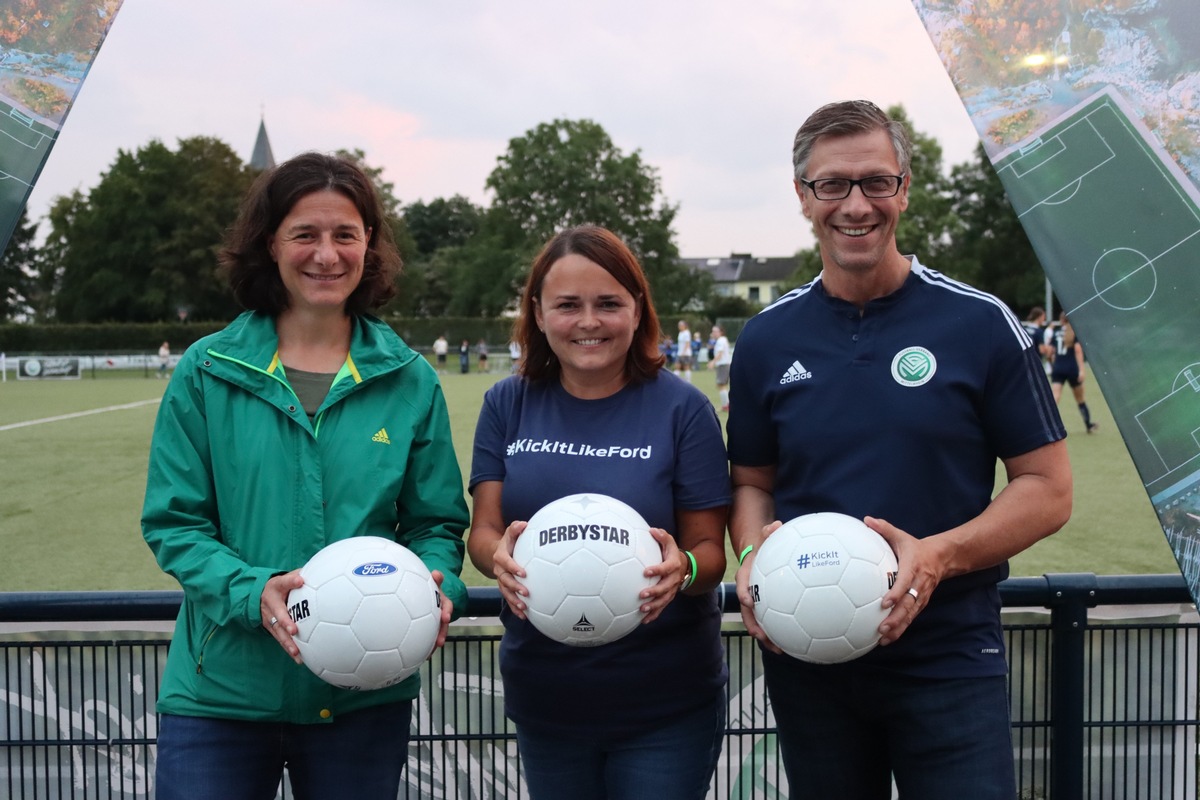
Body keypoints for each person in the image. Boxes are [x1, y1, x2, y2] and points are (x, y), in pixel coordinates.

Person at [727, 100, 1073, 799]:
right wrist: (748, 558)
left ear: (904, 189)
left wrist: (938, 555)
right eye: (833, 185)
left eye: (875, 182)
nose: (856, 205)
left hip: (947, 651)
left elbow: (1048, 487)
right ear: (804, 198)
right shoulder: (765, 340)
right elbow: (751, 485)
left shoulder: (979, 323)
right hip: (810, 651)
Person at [140, 152, 469, 800]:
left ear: (368, 243)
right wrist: (251, 589)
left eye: (345, 234)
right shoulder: (207, 370)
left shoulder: (410, 378)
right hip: (220, 698)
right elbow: (174, 522)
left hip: (362, 699)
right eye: (305, 234)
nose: (327, 254)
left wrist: (439, 585)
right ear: (271, 244)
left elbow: (436, 523)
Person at [467, 225, 730, 800]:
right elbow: (483, 531)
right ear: (538, 314)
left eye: (609, 303)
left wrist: (679, 570)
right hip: (546, 696)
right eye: (568, 305)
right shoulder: (506, 403)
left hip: (665, 700)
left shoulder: (683, 409)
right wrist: (499, 559)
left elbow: (711, 551)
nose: (589, 322)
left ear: (638, 310)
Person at [1048, 311, 1099, 433]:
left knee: (1055, 396)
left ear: (1061, 320)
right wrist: (1081, 370)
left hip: (1058, 368)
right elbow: (1078, 351)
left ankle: (1047, 424)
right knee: (1080, 398)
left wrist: (1053, 363)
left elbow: (1050, 352)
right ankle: (1088, 425)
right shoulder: (1074, 333)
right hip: (1072, 369)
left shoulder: (1056, 333)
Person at [708, 324, 731, 412]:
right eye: (712, 331)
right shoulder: (721, 340)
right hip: (723, 365)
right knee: (721, 385)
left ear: (720, 332)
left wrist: (713, 362)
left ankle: (726, 405)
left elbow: (720, 353)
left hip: (723, 365)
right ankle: (726, 404)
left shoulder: (721, 340)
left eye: (715, 331)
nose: (713, 333)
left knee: (721, 385)